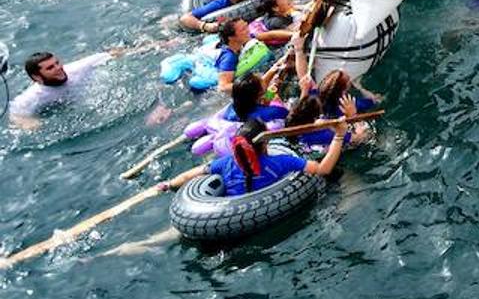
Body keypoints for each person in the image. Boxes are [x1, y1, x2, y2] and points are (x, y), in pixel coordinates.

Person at [159, 113, 350, 197]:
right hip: (259, 213)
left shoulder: (225, 163)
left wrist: (168, 185)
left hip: (227, 212)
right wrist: (340, 134)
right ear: (266, 141)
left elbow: (186, 176)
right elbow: (323, 169)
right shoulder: (282, 162)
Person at [8, 50, 112, 130]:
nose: (58, 68)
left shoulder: (76, 69)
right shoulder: (32, 96)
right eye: (50, 68)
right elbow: (16, 115)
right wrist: (30, 124)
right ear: (37, 77)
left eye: (57, 63)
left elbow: (112, 54)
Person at [212, 18, 251, 92]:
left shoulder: (240, 44)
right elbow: (222, 87)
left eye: (246, 26)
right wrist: (251, 86)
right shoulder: (229, 58)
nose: (248, 30)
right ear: (231, 37)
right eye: (243, 29)